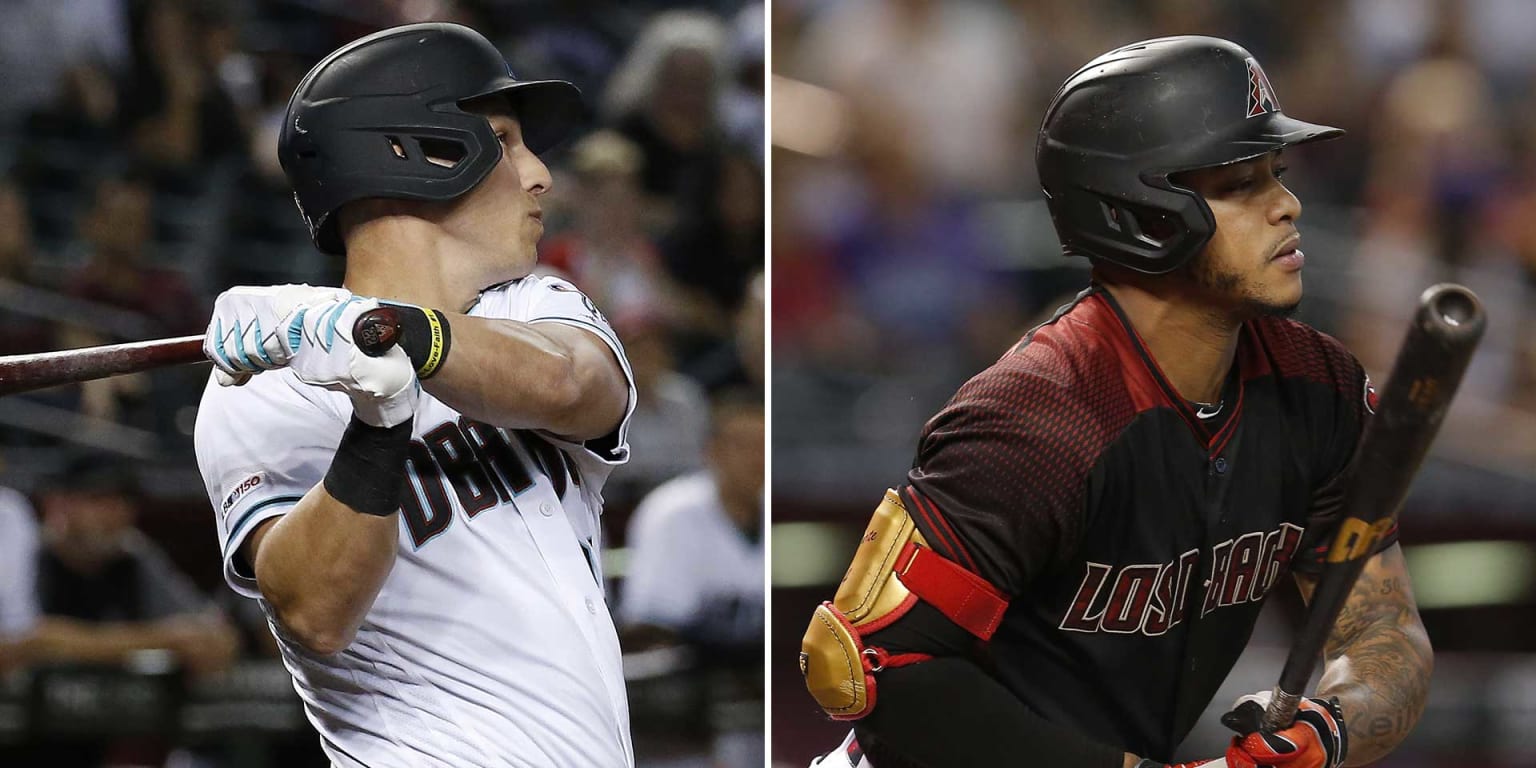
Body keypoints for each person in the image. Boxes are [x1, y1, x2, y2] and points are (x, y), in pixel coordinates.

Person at [798, 37, 1432, 768]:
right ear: (1141, 210)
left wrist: (1333, 725)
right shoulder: (1037, 416)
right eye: (1238, 184)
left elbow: (1384, 629)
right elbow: (864, 672)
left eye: (1276, 175)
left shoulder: (1318, 389)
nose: (1287, 205)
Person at [194, 23, 637, 768]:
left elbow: (569, 384)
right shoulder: (264, 384)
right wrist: (378, 418)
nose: (540, 175)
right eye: (504, 137)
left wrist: (389, 332)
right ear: (412, 148)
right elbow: (313, 614)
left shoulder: (535, 305)